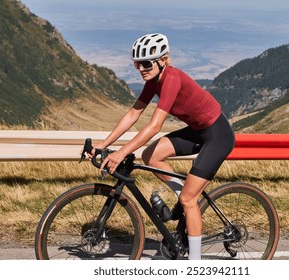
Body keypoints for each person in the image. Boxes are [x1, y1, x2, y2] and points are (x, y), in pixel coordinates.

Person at [89, 33, 235, 260]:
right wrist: (105, 144)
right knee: (151, 155)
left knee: (188, 200)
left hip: (218, 135)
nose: (141, 69)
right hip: (196, 131)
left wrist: (122, 152)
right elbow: (133, 114)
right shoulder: (152, 82)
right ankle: (184, 199)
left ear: (163, 60)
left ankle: (194, 264)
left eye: (146, 63)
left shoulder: (172, 79)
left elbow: (155, 126)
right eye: (137, 64)